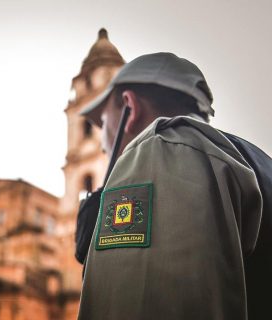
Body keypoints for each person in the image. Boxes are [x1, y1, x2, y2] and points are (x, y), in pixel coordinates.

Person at [76, 52, 272, 320]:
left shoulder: (160, 150)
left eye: (103, 121)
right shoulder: (253, 161)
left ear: (129, 107)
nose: (102, 142)